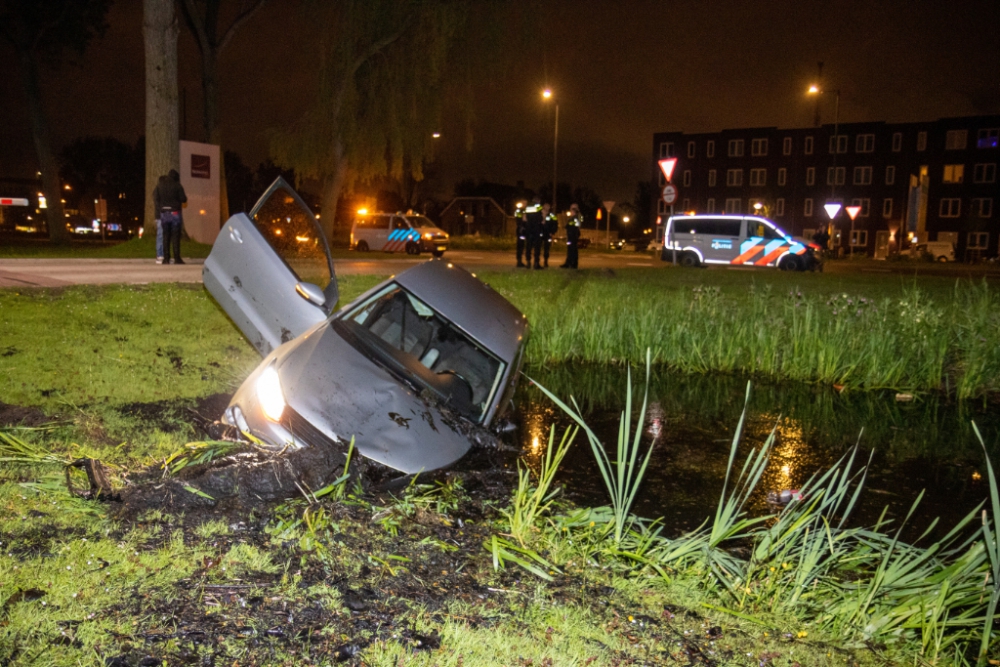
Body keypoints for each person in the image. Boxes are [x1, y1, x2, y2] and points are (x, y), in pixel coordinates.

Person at [154, 169, 187, 264]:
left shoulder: (160, 185)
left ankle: (166, 258)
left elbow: (157, 198)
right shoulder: (177, 185)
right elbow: (183, 199)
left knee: (165, 235)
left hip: (164, 213)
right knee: (175, 236)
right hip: (175, 213)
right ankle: (177, 258)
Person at [524, 197, 545, 269]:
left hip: (529, 229)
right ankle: (536, 263)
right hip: (536, 229)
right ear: (538, 201)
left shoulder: (527, 207)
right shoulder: (538, 207)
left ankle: (528, 262)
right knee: (537, 247)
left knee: (528, 246)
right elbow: (540, 217)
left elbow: (525, 218)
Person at [561, 203, 583, 269]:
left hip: (574, 234)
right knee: (569, 249)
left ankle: (574, 263)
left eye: (574, 208)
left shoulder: (578, 216)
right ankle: (568, 262)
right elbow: (567, 225)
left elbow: (578, 224)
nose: (572, 210)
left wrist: (576, 214)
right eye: (571, 208)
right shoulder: (571, 217)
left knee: (573, 249)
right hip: (570, 234)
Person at [514, 202, 528, 267]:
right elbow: (518, 219)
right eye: (524, 203)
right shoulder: (519, 210)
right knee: (520, 245)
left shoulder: (527, 210)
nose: (525, 204)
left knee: (524, 246)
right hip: (521, 230)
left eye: (526, 203)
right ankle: (519, 261)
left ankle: (522, 261)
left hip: (526, 230)